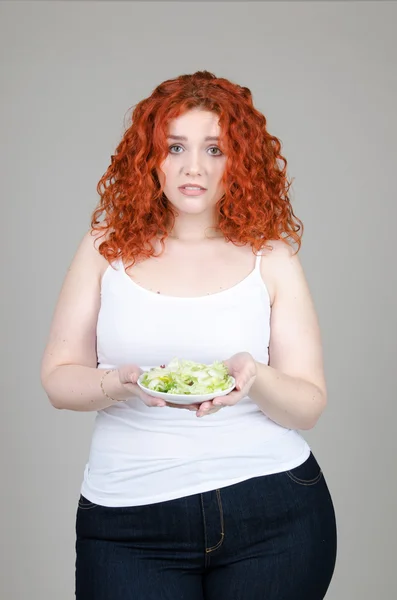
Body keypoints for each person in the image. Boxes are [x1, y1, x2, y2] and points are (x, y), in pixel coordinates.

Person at [40, 70, 337, 600]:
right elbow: (59, 381)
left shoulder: (272, 256)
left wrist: (257, 378)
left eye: (215, 149)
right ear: (149, 157)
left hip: (273, 513)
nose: (193, 167)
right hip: (129, 520)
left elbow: (307, 405)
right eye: (175, 147)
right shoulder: (104, 248)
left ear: (239, 162)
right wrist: (121, 383)